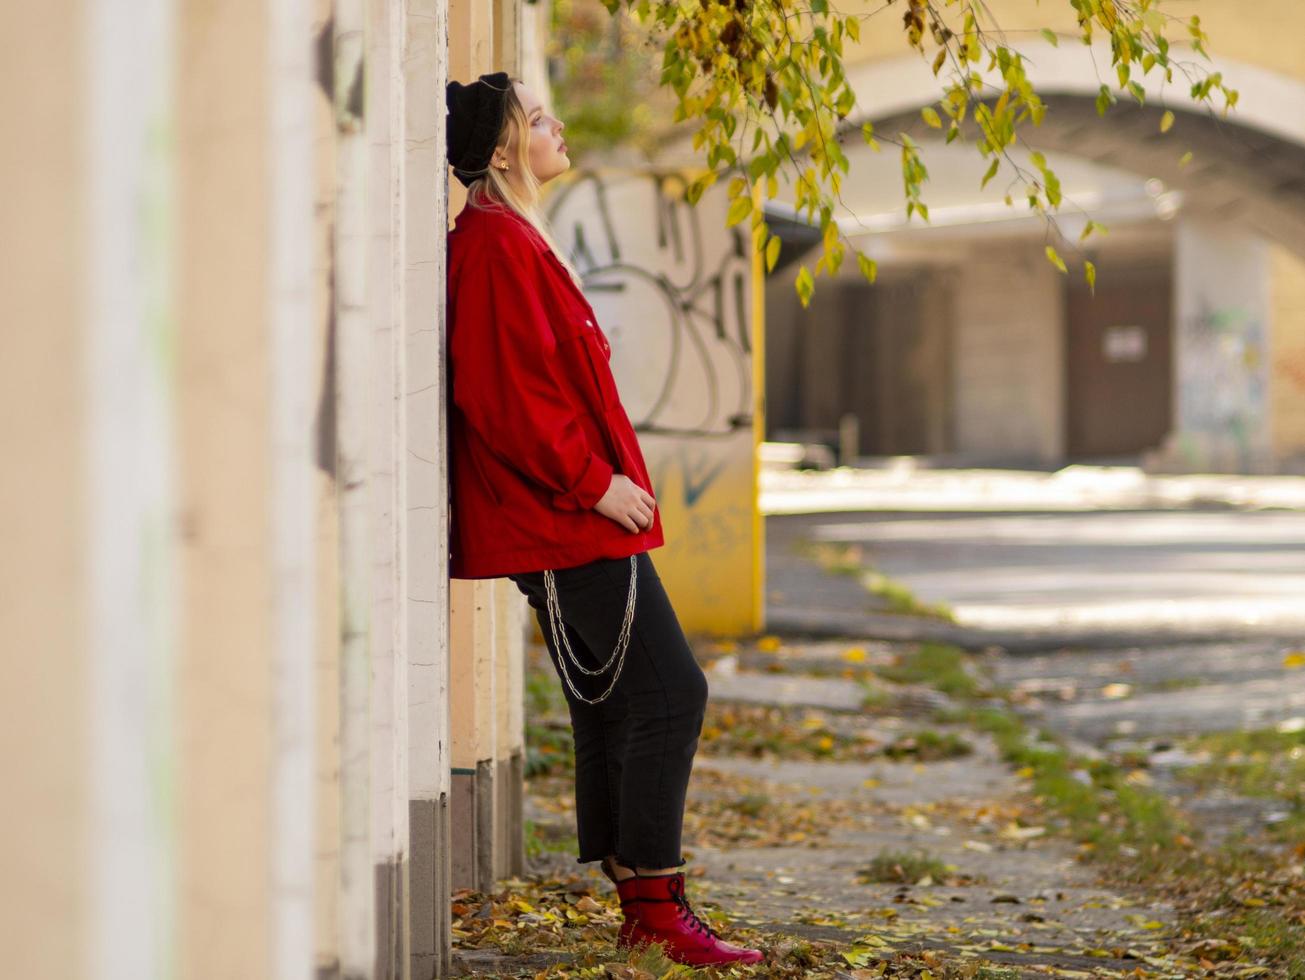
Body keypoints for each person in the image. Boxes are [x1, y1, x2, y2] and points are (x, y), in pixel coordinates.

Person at [444, 71, 764, 968]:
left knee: (618, 701)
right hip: (562, 515)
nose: (557, 125)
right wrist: (594, 485)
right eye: (537, 118)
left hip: (564, 514)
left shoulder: (507, 236)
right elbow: (503, 398)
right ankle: (656, 906)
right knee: (669, 694)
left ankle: (643, 898)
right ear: (504, 150)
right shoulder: (497, 244)